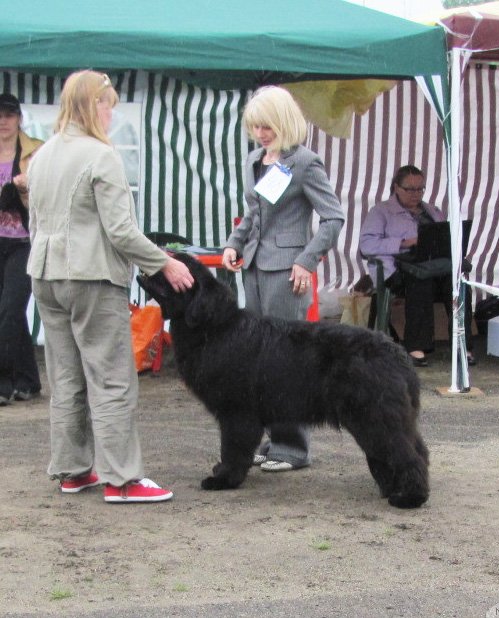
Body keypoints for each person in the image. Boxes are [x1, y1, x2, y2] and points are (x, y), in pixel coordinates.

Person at [27, 70, 194, 503]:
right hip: (91, 277)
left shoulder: (42, 156)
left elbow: (34, 224)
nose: (111, 113)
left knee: (66, 375)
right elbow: (121, 231)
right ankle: (122, 479)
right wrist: (165, 263)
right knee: (113, 377)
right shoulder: (102, 157)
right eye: (107, 105)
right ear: (91, 105)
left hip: (45, 275)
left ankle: (73, 470)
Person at [222, 86, 344, 473]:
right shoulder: (254, 160)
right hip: (255, 268)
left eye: (266, 127)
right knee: (257, 361)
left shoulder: (305, 162)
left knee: (286, 362)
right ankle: (267, 439)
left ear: (284, 122)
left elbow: (333, 217)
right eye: (255, 127)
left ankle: (292, 446)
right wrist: (233, 243)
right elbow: (253, 214)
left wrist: (307, 261)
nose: (260, 134)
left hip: (288, 273)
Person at [359, 164, 474, 367]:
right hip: (397, 270)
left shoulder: (432, 211)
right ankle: (416, 346)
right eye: (410, 189)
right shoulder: (381, 211)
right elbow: (366, 245)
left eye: (420, 189)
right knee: (420, 281)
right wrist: (404, 243)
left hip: (432, 266)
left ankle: (462, 344)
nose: (416, 194)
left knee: (459, 283)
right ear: (396, 187)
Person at [0, 94, 43, 405]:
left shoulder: (36, 152)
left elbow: (48, 197)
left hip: (24, 241)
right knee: (8, 315)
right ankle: (25, 380)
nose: (3, 121)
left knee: (11, 310)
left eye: (10, 115)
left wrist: (26, 189)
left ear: (19, 119)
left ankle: (10, 382)